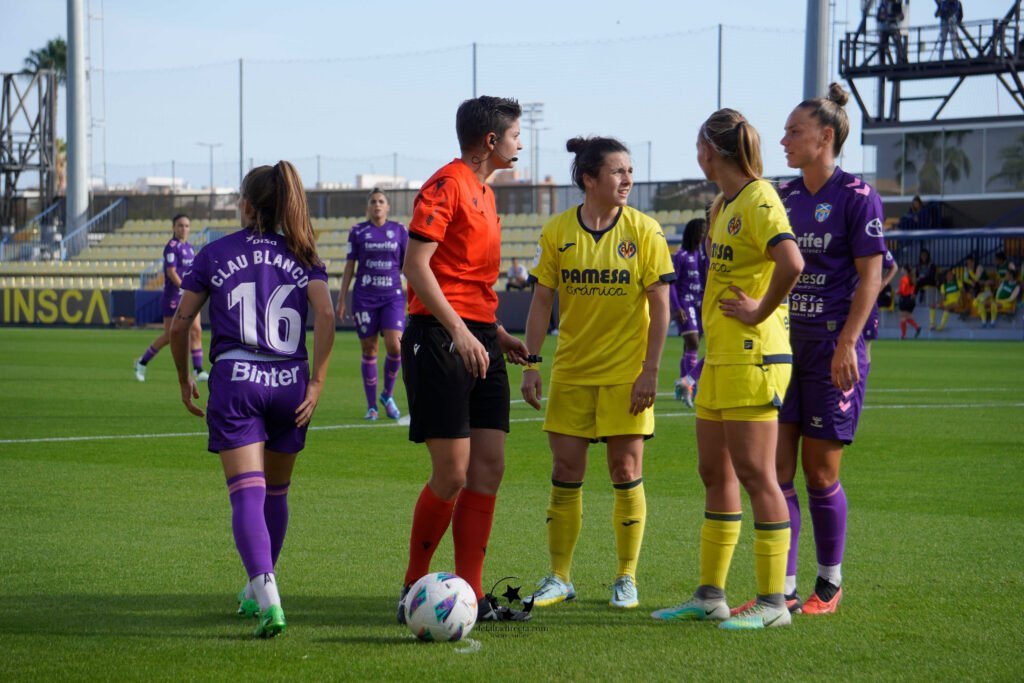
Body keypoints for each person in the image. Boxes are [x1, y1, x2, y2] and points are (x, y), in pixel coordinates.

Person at [168, 161, 336, 639]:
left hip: (236, 381)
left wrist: (184, 379)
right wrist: (318, 383)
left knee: (247, 493)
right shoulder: (304, 253)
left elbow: (180, 324)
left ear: (245, 204)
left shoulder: (215, 252)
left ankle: (269, 601)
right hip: (290, 383)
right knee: (276, 494)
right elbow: (325, 316)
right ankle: (256, 589)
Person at [651, 108, 804, 630]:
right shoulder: (722, 205)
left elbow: (792, 264)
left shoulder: (761, 198)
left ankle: (772, 604)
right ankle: (710, 595)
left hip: (753, 355)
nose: (696, 156)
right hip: (718, 357)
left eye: (698, 148)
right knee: (713, 473)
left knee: (758, 475)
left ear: (709, 152)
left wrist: (759, 311)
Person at [749, 83, 885, 618]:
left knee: (820, 473)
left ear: (825, 137)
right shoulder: (782, 196)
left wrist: (848, 342)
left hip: (833, 350)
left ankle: (828, 583)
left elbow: (871, 277)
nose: (783, 139)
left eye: (793, 131)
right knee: (775, 473)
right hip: (785, 349)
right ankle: (780, 587)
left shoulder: (857, 196)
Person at [521, 136, 674, 610]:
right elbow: (542, 300)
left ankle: (626, 578)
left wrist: (650, 370)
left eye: (629, 171)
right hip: (571, 372)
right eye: (617, 171)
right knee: (565, 472)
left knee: (625, 471)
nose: (627, 179)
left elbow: (661, 307)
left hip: (627, 376)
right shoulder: (558, 231)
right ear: (589, 179)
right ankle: (559, 577)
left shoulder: (646, 231)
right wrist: (531, 363)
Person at [397, 95, 533, 624]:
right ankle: (413, 585)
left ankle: (470, 596)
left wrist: (496, 333)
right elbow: (417, 265)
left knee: (488, 469)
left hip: (479, 338)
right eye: (517, 134)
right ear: (491, 141)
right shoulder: (447, 183)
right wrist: (460, 330)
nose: (522, 142)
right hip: (438, 338)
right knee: (451, 474)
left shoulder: (485, 192)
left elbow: (468, 282)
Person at [335, 188, 408, 421]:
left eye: (381, 201)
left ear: (387, 207)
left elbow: (409, 266)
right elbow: (349, 266)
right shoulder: (358, 231)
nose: (377, 205)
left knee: (395, 345)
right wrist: (341, 298)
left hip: (392, 296)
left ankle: (387, 394)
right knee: (370, 349)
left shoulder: (399, 230)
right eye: (373, 202)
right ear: (368, 207)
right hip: (364, 297)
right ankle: (371, 407)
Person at [134, 213, 208, 382]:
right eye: (181, 225)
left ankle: (198, 370)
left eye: (187, 226)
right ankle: (142, 362)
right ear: (174, 228)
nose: (184, 229)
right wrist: (184, 287)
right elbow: (171, 272)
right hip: (174, 296)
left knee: (196, 331)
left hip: (188, 295)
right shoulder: (171, 247)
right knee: (169, 335)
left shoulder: (189, 248)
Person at [670, 218, 707, 408]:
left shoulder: (702, 256)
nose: (703, 235)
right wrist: (677, 308)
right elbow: (672, 284)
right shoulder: (680, 255)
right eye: (700, 231)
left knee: (691, 346)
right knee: (692, 342)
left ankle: (682, 385)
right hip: (686, 303)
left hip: (700, 303)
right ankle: (691, 386)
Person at [864, 249, 898, 359]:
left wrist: (882, 284)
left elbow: (894, 267)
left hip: (868, 302)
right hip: (847, 301)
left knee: (866, 345)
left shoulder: (875, 243)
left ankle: (862, 376)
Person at [934, 267, 967, 331]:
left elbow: (963, 292)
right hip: (948, 301)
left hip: (957, 301)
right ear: (946, 276)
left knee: (947, 308)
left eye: (951, 274)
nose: (951, 275)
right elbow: (943, 297)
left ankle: (942, 326)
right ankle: (932, 324)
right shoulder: (943, 286)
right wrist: (940, 303)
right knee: (932, 306)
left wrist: (960, 298)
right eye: (949, 274)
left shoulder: (958, 282)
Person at [915, 248, 940, 329]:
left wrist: (922, 278)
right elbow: (916, 275)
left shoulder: (931, 264)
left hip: (930, 280)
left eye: (925, 255)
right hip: (921, 281)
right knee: (918, 282)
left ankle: (915, 294)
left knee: (921, 281)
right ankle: (920, 292)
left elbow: (931, 275)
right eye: (922, 255)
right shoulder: (918, 265)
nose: (923, 257)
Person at [897, 266, 922, 338]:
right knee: (907, 317)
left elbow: (903, 290)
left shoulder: (904, 279)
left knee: (902, 318)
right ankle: (917, 328)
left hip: (905, 299)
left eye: (902, 269)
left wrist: (897, 292)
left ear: (905, 271)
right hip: (911, 300)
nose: (901, 270)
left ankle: (904, 335)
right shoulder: (912, 279)